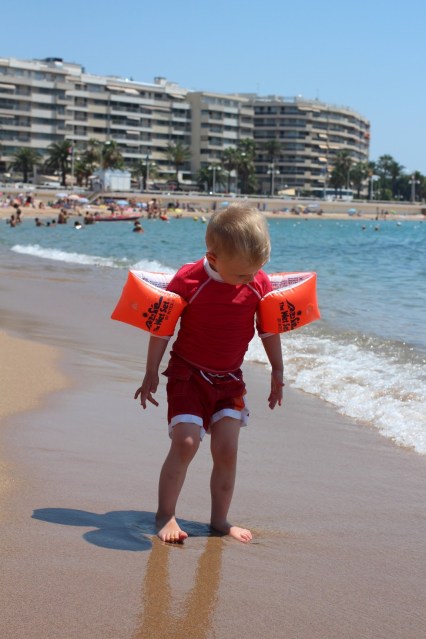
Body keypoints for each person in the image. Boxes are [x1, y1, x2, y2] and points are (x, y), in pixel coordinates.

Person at [134, 205, 284, 544]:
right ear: (213, 259)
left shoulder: (257, 281)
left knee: (227, 449)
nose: (250, 279)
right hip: (188, 374)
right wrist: (151, 371)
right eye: (242, 275)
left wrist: (277, 369)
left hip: (229, 379)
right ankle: (165, 514)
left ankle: (220, 519)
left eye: (256, 271)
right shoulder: (189, 280)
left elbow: (269, 329)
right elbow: (162, 330)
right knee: (185, 443)